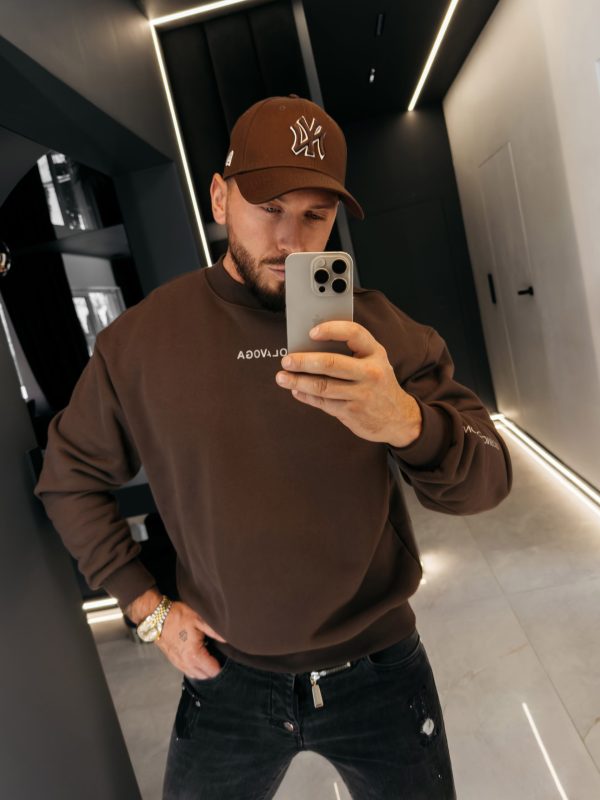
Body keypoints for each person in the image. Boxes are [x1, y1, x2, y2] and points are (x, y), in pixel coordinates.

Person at [34, 95, 512, 800]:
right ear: (220, 198)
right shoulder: (141, 342)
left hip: (379, 669)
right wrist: (148, 610)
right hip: (227, 677)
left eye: (316, 214)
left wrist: (406, 421)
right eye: (270, 207)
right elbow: (67, 478)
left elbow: (488, 476)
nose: (292, 240)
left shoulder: (378, 331)